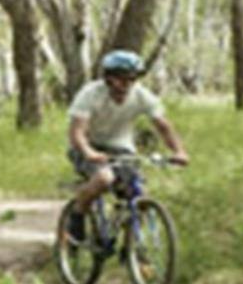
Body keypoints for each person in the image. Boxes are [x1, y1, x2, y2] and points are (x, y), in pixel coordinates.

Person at [64, 48, 189, 239]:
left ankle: (132, 249)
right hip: (87, 145)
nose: (127, 84)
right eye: (121, 78)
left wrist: (179, 151)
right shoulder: (90, 94)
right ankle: (77, 215)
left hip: (120, 147)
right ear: (108, 78)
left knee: (138, 194)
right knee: (104, 178)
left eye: (132, 79)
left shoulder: (142, 95)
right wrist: (89, 152)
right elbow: (77, 131)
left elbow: (163, 126)